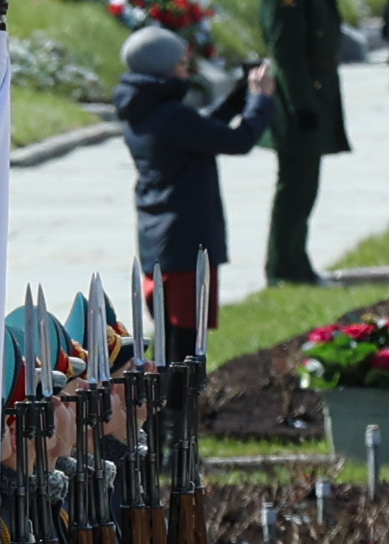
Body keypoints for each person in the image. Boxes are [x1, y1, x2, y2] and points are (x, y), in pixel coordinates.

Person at [116, 25, 275, 350]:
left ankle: (169, 399)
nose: (187, 70)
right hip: (186, 237)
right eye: (181, 63)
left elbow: (202, 129)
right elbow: (238, 140)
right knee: (185, 340)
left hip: (159, 235)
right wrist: (261, 100)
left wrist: (237, 97)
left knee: (168, 333)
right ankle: (179, 401)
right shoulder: (171, 116)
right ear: (165, 68)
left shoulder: (143, 109)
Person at [251, 0, 350, 285]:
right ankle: (284, 267)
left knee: (306, 184)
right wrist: (303, 104)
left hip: (315, 86)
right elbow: (286, 50)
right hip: (298, 94)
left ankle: (296, 261)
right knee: (295, 185)